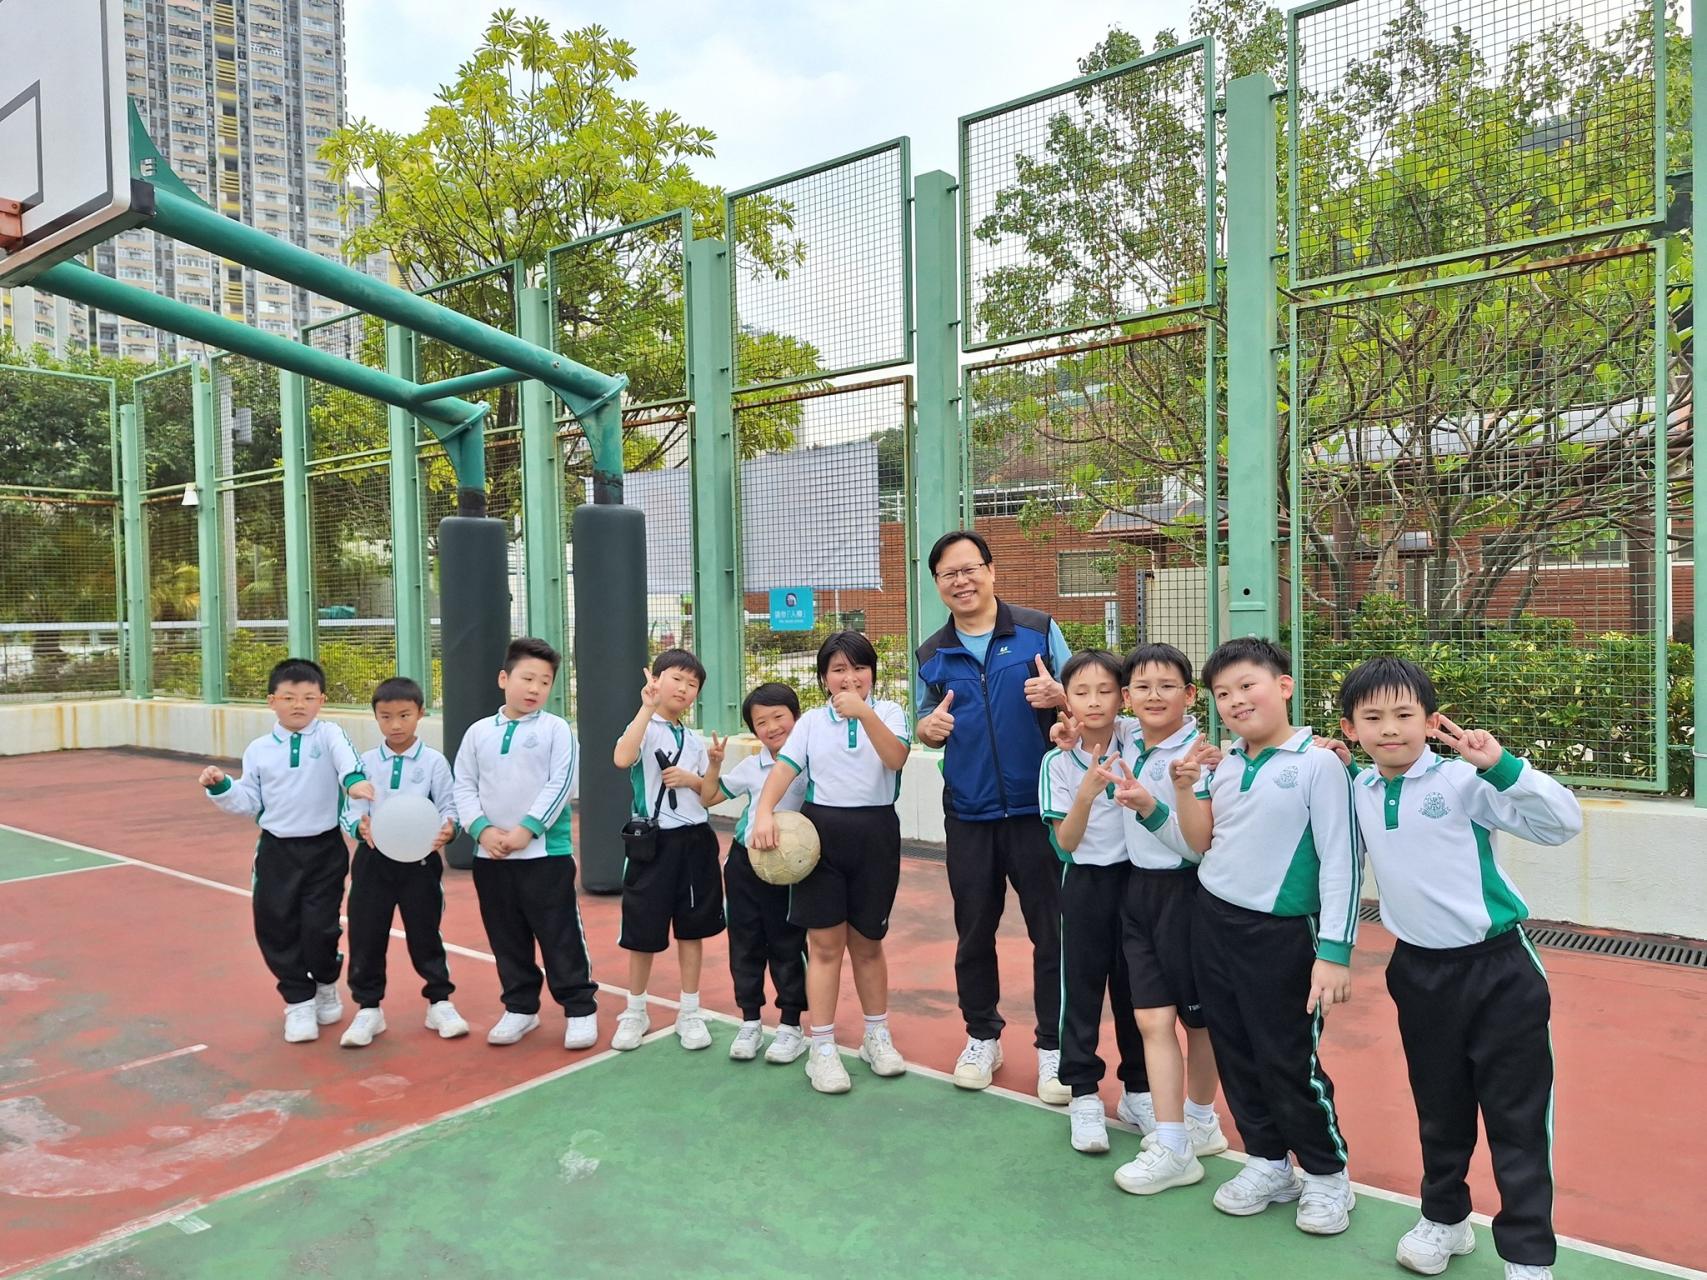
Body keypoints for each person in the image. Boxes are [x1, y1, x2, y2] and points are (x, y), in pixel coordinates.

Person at [1328, 657, 1579, 1280]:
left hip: (1499, 971)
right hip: (1418, 972)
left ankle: (1527, 1255)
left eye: (1404, 715)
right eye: (1373, 718)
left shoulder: (1465, 780)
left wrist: (1502, 765)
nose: (1391, 729)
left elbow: (1561, 825)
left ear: (1431, 720)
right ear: (1351, 728)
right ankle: (1445, 1218)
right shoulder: (1356, 788)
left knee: (1517, 1116)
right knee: (1439, 1107)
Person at [1170, 636, 1360, 1235]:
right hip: (1213, 921)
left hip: (1284, 936)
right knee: (1235, 1049)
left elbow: (1342, 860)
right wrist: (1185, 787)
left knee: (1287, 1058)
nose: (1235, 700)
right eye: (1222, 693)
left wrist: (1335, 951)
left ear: (1284, 686)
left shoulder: (1320, 764)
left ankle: (1327, 1174)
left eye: (1247, 685)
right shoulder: (1224, 764)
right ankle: (1268, 1161)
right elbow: (1201, 845)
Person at [914, 529, 1074, 1102]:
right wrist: (927, 729)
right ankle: (982, 1037)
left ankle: (1054, 1048)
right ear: (938, 584)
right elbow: (923, 722)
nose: (961, 581)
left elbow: (1087, 704)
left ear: (991, 571)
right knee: (974, 933)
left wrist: (1061, 698)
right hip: (969, 814)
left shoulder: (1038, 630)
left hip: (1039, 812)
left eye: (970, 569)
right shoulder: (931, 654)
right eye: (948, 574)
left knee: (1051, 933)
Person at [750, 631, 910, 1095]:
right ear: (824, 678)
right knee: (823, 946)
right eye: (838, 670)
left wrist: (864, 713)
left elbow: (895, 757)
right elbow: (785, 770)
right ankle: (821, 1047)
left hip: (876, 835)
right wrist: (764, 812)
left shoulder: (890, 712)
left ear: (872, 673)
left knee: (868, 943)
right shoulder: (811, 723)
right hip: (821, 838)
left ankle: (876, 1036)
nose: (850, 677)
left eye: (859, 668)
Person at [1103, 643, 1227, 1196]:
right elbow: (1091, 712)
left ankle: (1201, 1119)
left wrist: (1150, 809)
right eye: (1142, 687)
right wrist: (1062, 707)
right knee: (1152, 1020)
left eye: (1167, 686)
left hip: (1188, 894)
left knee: (1198, 1022)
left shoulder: (1203, 758)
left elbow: (1198, 848)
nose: (1154, 696)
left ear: (1190, 694)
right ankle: (1174, 1143)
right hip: (1138, 893)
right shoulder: (1129, 735)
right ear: (1128, 697)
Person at [198, 656, 373, 1043]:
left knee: (320, 926)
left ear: (322, 700)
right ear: (271, 701)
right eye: (289, 697)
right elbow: (248, 800)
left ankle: (325, 982)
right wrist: (221, 786)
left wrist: (354, 782)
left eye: (309, 697)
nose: (299, 705)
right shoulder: (259, 750)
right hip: (277, 852)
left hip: (324, 850)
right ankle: (298, 1001)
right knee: (274, 925)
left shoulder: (329, 735)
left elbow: (348, 760)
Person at [1039, 650, 1165, 1156]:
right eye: (1082, 692)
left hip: (1136, 881)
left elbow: (1176, 724)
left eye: (1105, 690)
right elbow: (1065, 843)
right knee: (1082, 990)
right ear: (1067, 699)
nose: (1094, 701)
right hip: (1085, 884)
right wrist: (1087, 793)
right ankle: (1084, 1093)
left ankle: (1138, 1092)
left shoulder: (1135, 739)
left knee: (1138, 991)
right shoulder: (1057, 762)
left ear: (1122, 697)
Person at [452, 637, 596, 1051]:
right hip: (490, 858)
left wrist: (526, 830)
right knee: (505, 935)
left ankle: (579, 1009)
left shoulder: (556, 730)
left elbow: (562, 783)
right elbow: (464, 785)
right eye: (527, 678)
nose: (535, 688)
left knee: (559, 934)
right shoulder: (478, 732)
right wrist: (482, 830)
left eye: (545, 682)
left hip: (545, 856)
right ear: (504, 679)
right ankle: (520, 1008)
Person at [338, 676, 466, 1048]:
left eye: (404, 715)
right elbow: (351, 809)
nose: (395, 725)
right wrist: (359, 826)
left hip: (420, 862)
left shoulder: (434, 762)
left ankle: (439, 1002)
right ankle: (368, 1009)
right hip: (373, 861)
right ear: (376, 717)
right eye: (386, 717)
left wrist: (449, 828)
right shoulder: (364, 763)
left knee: (425, 932)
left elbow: (450, 805)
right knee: (366, 933)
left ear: (421, 713)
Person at [611, 648, 727, 1053]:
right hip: (653, 843)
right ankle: (635, 1011)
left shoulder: (693, 739)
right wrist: (645, 708)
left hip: (695, 842)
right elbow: (622, 757)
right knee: (642, 931)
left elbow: (709, 795)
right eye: (676, 679)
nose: (684, 688)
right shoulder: (643, 727)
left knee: (692, 929)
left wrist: (701, 773)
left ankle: (689, 1011)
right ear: (655, 680)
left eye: (692, 684)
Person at [715, 682, 810, 1065]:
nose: (771, 727)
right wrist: (708, 768)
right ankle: (750, 1020)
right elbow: (711, 795)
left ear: (796, 717)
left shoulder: (812, 761)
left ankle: (791, 1025)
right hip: (744, 865)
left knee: (787, 944)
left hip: (789, 871)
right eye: (761, 722)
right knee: (745, 943)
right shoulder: (751, 766)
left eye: (778, 717)